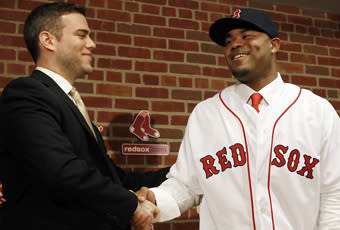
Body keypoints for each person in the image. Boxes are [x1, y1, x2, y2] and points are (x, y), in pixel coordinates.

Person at [144, 8, 340, 229]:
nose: (235, 44)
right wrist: (153, 201)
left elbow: (334, 194)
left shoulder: (317, 110)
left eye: (246, 36)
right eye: (228, 41)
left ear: (274, 45)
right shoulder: (205, 113)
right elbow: (187, 187)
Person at [0, 2, 169, 230]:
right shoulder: (26, 93)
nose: (92, 43)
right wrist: (133, 205)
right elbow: (63, 172)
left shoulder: (70, 101)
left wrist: (184, 171)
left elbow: (115, 179)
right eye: (82, 35)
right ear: (48, 40)